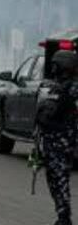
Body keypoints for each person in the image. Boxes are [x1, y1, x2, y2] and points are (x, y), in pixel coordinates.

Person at [37, 50, 78, 225]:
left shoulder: (74, 88)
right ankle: (62, 215)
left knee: (60, 179)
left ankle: (64, 218)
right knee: (53, 179)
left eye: (56, 65)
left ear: (65, 67)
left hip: (63, 142)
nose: (53, 68)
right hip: (51, 142)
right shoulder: (57, 86)